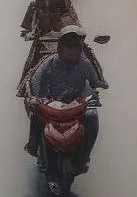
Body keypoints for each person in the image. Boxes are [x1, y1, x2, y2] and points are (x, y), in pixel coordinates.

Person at [25, 26, 107, 169]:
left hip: (75, 104)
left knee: (92, 116)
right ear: (60, 48)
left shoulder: (85, 64)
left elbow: (95, 83)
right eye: (68, 43)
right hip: (50, 103)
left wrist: (98, 90)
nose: (72, 45)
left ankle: (85, 155)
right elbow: (35, 80)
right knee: (36, 115)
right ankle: (33, 145)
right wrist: (35, 98)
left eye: (75, 43)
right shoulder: (49, 62)